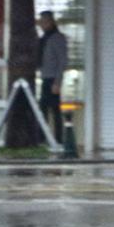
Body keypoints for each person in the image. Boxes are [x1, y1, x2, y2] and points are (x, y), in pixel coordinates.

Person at [37, 10, 68, 143]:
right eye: (41, 22)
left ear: (50, 22)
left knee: (53, 110)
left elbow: (62, 60)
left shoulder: (57, 38)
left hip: (52, 78)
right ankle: (47, 138)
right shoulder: (44, 38)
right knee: (45, 109)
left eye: (44, 22)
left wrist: (58, 81)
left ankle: (56, 139)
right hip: (46, 76)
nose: (41, 25)